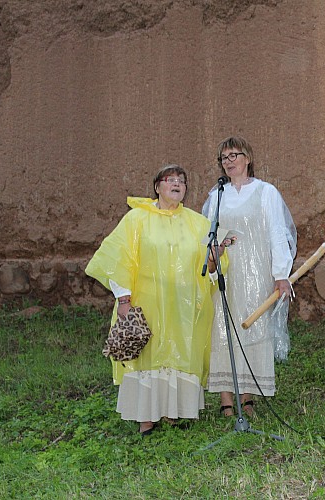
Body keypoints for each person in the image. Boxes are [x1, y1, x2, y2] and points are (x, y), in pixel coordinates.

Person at [85, 165, 223, 435]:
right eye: (170, 179)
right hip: (147, 301)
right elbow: (119, 258)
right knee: (148, 356)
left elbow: (209, 269)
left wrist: (214, 259)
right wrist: (124, 299)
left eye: (181, 180)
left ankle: (174, 412)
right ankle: (146, 417)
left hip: (183, 305)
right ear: (157, 187)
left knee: (181, 353)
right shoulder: (137, 219)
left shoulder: (198, 223)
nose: (177, 184)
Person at [203, 136, 296, 417]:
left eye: (234, 155)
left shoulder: (266, 192)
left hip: (257, 272)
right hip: (227, 273)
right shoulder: (217, 196)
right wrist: (213, 258)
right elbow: (207, 235)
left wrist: (280, 274)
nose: (229, 161)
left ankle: (248, 397)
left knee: (253, 329)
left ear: (248, 158)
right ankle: (226, 399)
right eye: (224, 157)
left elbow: (277, 233)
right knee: (222, 329)